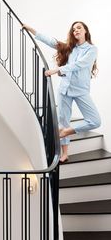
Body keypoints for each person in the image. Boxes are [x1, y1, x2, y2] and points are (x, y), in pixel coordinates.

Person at [22, 21, 101, 163]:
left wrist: (58, 70)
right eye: (74, 29)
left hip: (81, 91)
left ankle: (66, 132)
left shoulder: (91, 49)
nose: (76, 30)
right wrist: (32, 30)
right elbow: (52, 42)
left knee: (95, 121)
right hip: (64, 90)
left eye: (79, 28)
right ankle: (64, 153)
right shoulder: (70, 48)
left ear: (85, 31)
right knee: (63, 121)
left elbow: (80, 64)